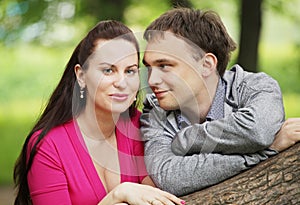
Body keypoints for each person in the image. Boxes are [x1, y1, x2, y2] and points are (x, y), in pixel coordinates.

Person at [13, 20, 184, 205]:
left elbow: (156, 192)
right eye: (108, 70)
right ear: (81, 76)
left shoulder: (137, 125)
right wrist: (117, 195)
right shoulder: (48, 147)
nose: (122, 82)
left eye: (130, 71)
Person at [140, 8, 300, 196]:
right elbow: (168, 177)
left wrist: (187, 138)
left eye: (164, 65)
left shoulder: (256, 87)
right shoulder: (155, 110)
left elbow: (258, 132)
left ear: (206, 65)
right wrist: (266, 151)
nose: (151, 81)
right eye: (149, 67)